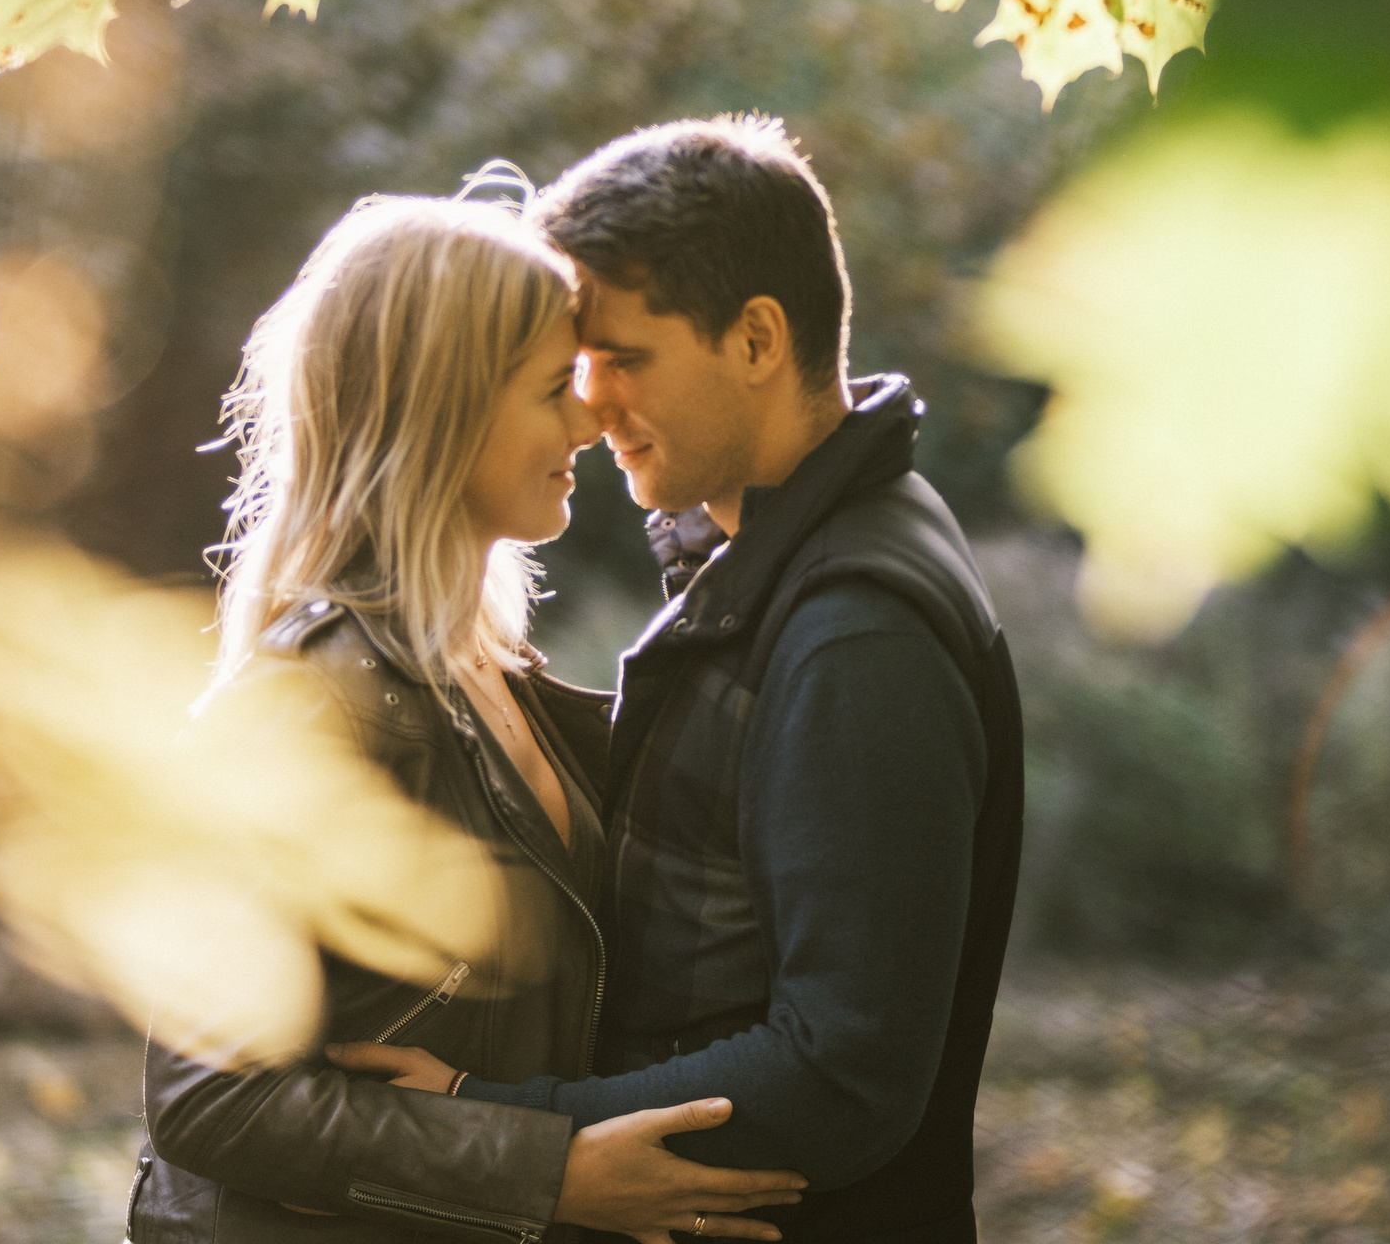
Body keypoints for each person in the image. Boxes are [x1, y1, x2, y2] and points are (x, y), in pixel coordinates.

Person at [338, 118, 1026, 1244]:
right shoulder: (770, 558)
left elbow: (845, 1072)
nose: (590, 403)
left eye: (624, 358)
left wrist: (505, 1126)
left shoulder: (853, 630)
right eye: (577, 364)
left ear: (756, 338)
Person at [127, 191, 808, 1244]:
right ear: (438, 413)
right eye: (552, 388)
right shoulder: (306, 702)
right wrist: (548, 1175)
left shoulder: (492, 675)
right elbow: (212, 1097)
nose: (589, 419)